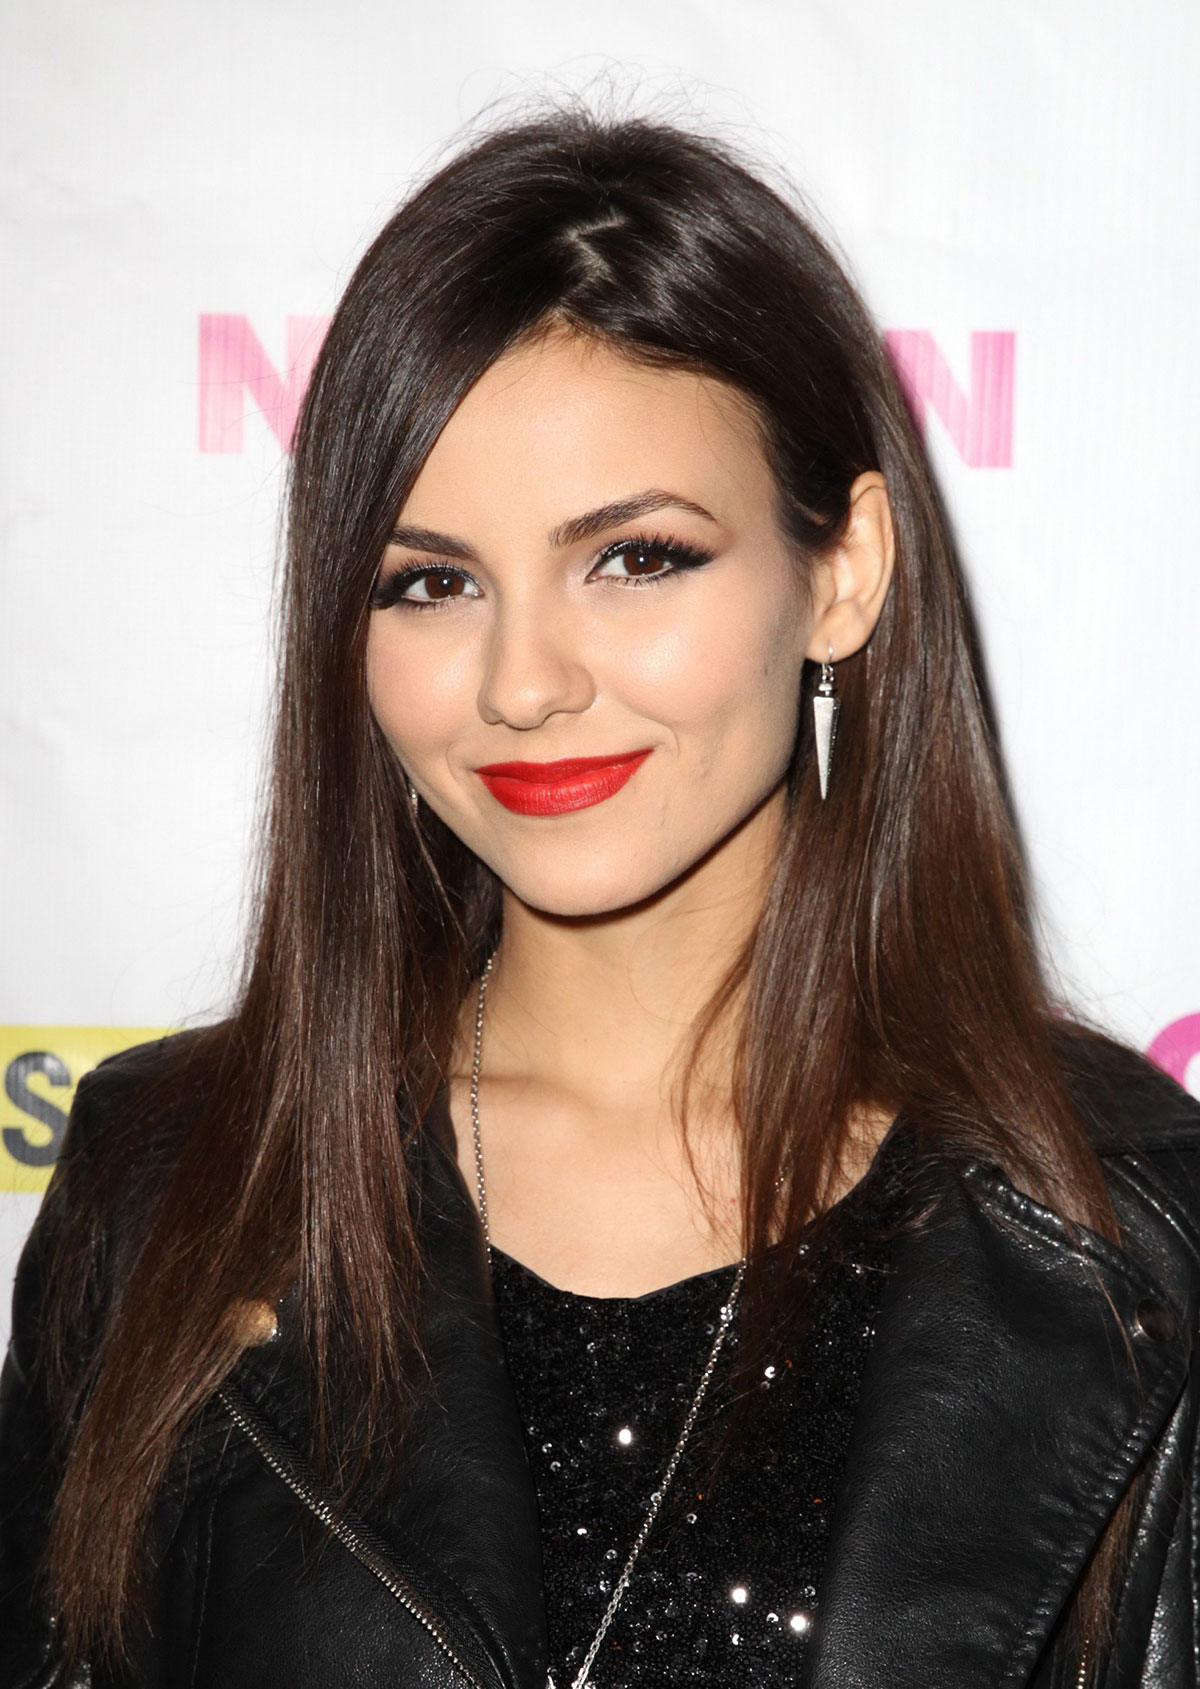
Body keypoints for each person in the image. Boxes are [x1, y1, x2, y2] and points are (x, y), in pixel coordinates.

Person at [2, 101, 1199, 1689]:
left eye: (635, 558)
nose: (524, 682)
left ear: (842, 572)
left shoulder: (1131, 1230)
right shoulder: (168, 1186)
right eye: (432, 582)